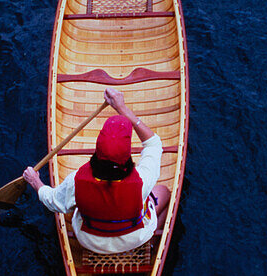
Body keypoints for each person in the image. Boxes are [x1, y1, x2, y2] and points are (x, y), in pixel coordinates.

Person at [23, 88, 170, 254]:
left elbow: (53, 202)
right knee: (163, 192)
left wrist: (35, 182)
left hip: (90, 241)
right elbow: (153, 144)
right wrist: (122, 108)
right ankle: (150, 244)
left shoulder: (76, 180)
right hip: (135, 238)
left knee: (72, 204)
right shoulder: (142, 179)